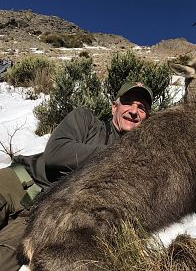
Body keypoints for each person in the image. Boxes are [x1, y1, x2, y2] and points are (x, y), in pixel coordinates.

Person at [0, 81, 153, 271]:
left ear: (147, 118)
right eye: (128, 102)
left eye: (142, 108)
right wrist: (116, 156)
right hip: (18, 181)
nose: (133, 111)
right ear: (114, 107)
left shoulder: (140, 165)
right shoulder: (85, 120)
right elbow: (55, 153)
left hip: (43, 218)